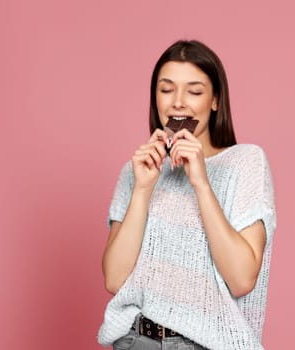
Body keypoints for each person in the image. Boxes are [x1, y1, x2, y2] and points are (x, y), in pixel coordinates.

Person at [98, 40, 276, 350]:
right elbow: (114, 279)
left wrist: (202, 185)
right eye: (166, 90)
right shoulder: (136, 171)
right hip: (136, 340)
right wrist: (142, 189)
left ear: (215, 100)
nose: (178, 103)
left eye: (194, 92)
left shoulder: (245, 163)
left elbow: (242, 279)